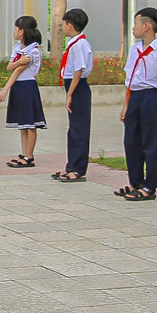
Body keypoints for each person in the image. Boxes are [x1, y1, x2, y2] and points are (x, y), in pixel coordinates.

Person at [116, 7, 157, 202]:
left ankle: (150, 186)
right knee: (130, 141)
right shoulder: (135, 49)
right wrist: (126, 105)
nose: (133, 28)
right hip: (134, 97)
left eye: (136, 24)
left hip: (150, 97)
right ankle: (135, 182)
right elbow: (129, 79)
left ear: (147, 26)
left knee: (149, 143)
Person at [0, 15, 45, 168]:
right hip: (18, 87)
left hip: (28, 87)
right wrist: (20, 61)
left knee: (30, 124)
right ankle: (24, 153)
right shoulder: (18, 49)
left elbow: (17, 69)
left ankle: (29, 156)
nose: (14, 31)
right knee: (23, 124)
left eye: (16, 28)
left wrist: (5, 88)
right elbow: (10, 67)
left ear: (22, 31)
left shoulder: (34, 51)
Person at [55, 9, 93, 183]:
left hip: (77, 87)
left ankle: (78, 169)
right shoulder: (75, 43)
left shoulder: (79, 45)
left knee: (79, 129)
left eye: (63, 24)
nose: (62, 27)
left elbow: (79, 70)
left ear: (70, 25)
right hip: (73, 85)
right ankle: (71, 165)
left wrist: (70, 94)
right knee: (73, 129)